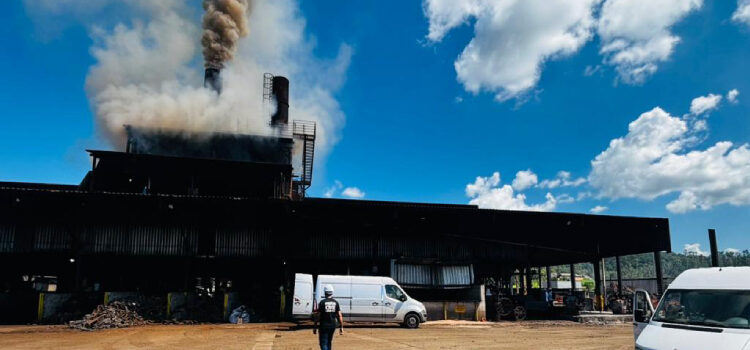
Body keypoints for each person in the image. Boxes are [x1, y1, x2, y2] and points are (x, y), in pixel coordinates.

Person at [313, 284, 343, 350]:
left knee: (323, 343)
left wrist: (315, 326)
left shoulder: (322, 302)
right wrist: (341, 327)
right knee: (329, 342)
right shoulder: (336, 302)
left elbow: (318, 316)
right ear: (332, 292)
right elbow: (339, 315)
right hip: (333, 326)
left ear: (325, 292)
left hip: (324, 326)